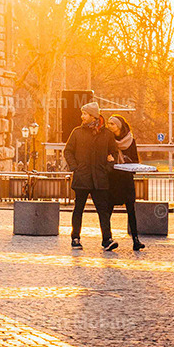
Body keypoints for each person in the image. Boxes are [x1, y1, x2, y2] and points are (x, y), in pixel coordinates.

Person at [64, 101, 119, 251]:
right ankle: (75, 238)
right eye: (82, 113)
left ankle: (107, 239)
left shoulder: (106, 134)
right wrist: (75, 167)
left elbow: (114, 153)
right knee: (78, 209)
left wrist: (108, 168)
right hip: (82, 177)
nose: (82, 117)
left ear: (93, 116)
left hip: (99, 178)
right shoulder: (77, 132)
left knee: (103, 211)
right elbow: (68, 151)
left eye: (85, 114)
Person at [107, 114, 145, 251]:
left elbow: (135, 160)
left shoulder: (130, 140)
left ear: (119, 126)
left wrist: (127, 161)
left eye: (112, 124)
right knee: (108, 209)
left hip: (126, 178)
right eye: (108, 123)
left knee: (131, 209)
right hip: (112, 178)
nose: (109, 126)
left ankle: (136, 239)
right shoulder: (107, 139)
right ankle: (107, 238)